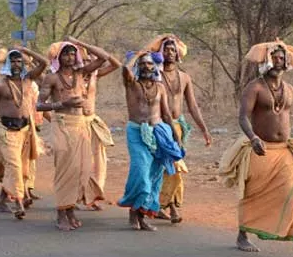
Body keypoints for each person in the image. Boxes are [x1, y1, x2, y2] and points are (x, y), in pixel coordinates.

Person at [218, 39, 293, 257]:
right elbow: (243, 117)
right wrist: (253, 137)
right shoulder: (254, 87)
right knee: (253, 194)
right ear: (266, 61)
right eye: (275, 57)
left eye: (282, 58)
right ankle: (242, 235)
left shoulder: (289, 89)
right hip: (260, 149)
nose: (279, 61)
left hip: (284, 150)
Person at [37, 37, 110, 231]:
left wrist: (80, 43)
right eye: (65, 54)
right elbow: (38, 104)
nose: (69, 57)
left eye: (72, 53)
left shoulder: (82, 73)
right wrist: (62, 104)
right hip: (61, 124)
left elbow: (104, 57)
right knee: (65, 170)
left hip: (81, 126)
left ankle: (70, 211)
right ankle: (61, 213)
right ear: (58, 58)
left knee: (82, 170)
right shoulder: (51, 77)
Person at [140, 35, 213, 224]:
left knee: (173, 167)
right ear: (160, 53)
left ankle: (167, 205)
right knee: (163, 167)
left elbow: (193, 106)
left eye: (172, 50)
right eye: (165, 49)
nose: (169, 53)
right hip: (159, 127)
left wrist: (204, 129)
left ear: (178, 54)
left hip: (178, 127)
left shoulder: (185, 77)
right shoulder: (153, 74)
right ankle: (161, 205)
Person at [117, 50, 183, 231]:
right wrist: (138, 54)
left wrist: (176, 139)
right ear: (137, 66)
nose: (146, 66)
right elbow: (124, 67)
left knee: (154, 176)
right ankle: (133, 211)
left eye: (150, 63)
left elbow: (167, 114)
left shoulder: (160, 88)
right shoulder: (132, 84)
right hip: (137, 132)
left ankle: (141, 215)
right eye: (142, 63)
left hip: (159, 133)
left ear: (155, 67)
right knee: (140, 171)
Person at [0, 47, 48, 219]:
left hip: (25, 131)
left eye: (19, 61)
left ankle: (2, 200)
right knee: (14, 167)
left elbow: (45, 63)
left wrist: (25, 50)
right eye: (13, 61)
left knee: (22, 169)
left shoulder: (29, 80)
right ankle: (19, 202)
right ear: (7, 64)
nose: (16, 64)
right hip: (7, 132)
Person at [80, 51, 122, 211]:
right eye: (86, 60)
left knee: (99, 161)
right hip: (76, 124)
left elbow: (115, 63)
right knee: (81, 162)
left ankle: (94, 195)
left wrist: (88, 47)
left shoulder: (94, 76)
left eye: (92, 60)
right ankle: (78, 194)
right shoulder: (71, 78)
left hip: (92, 122)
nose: (90, 63)